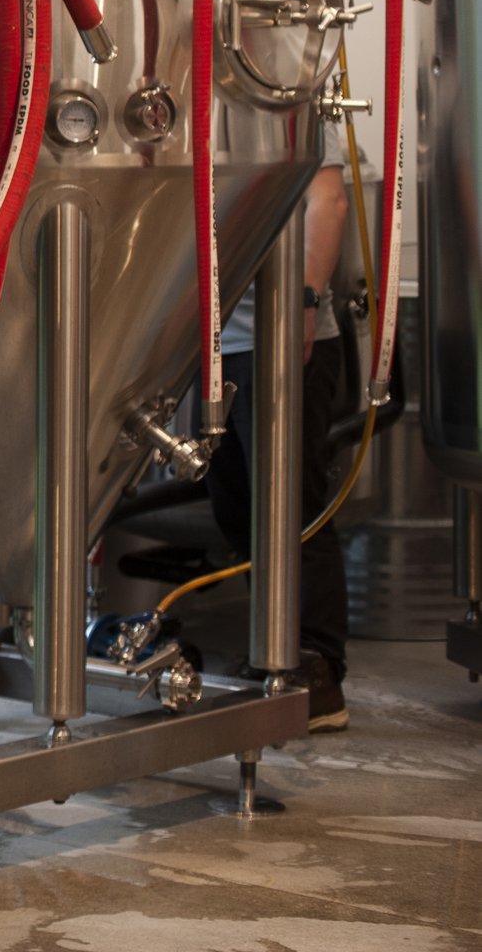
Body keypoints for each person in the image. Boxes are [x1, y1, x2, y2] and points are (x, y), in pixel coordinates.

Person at [203, 125, 357, 731]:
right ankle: (275, 648)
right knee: (237, 503)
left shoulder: (291, 84)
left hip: (282, 336)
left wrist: (303, 298)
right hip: (216, 344)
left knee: (292, 507)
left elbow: (329, 199)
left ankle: (318, 670)